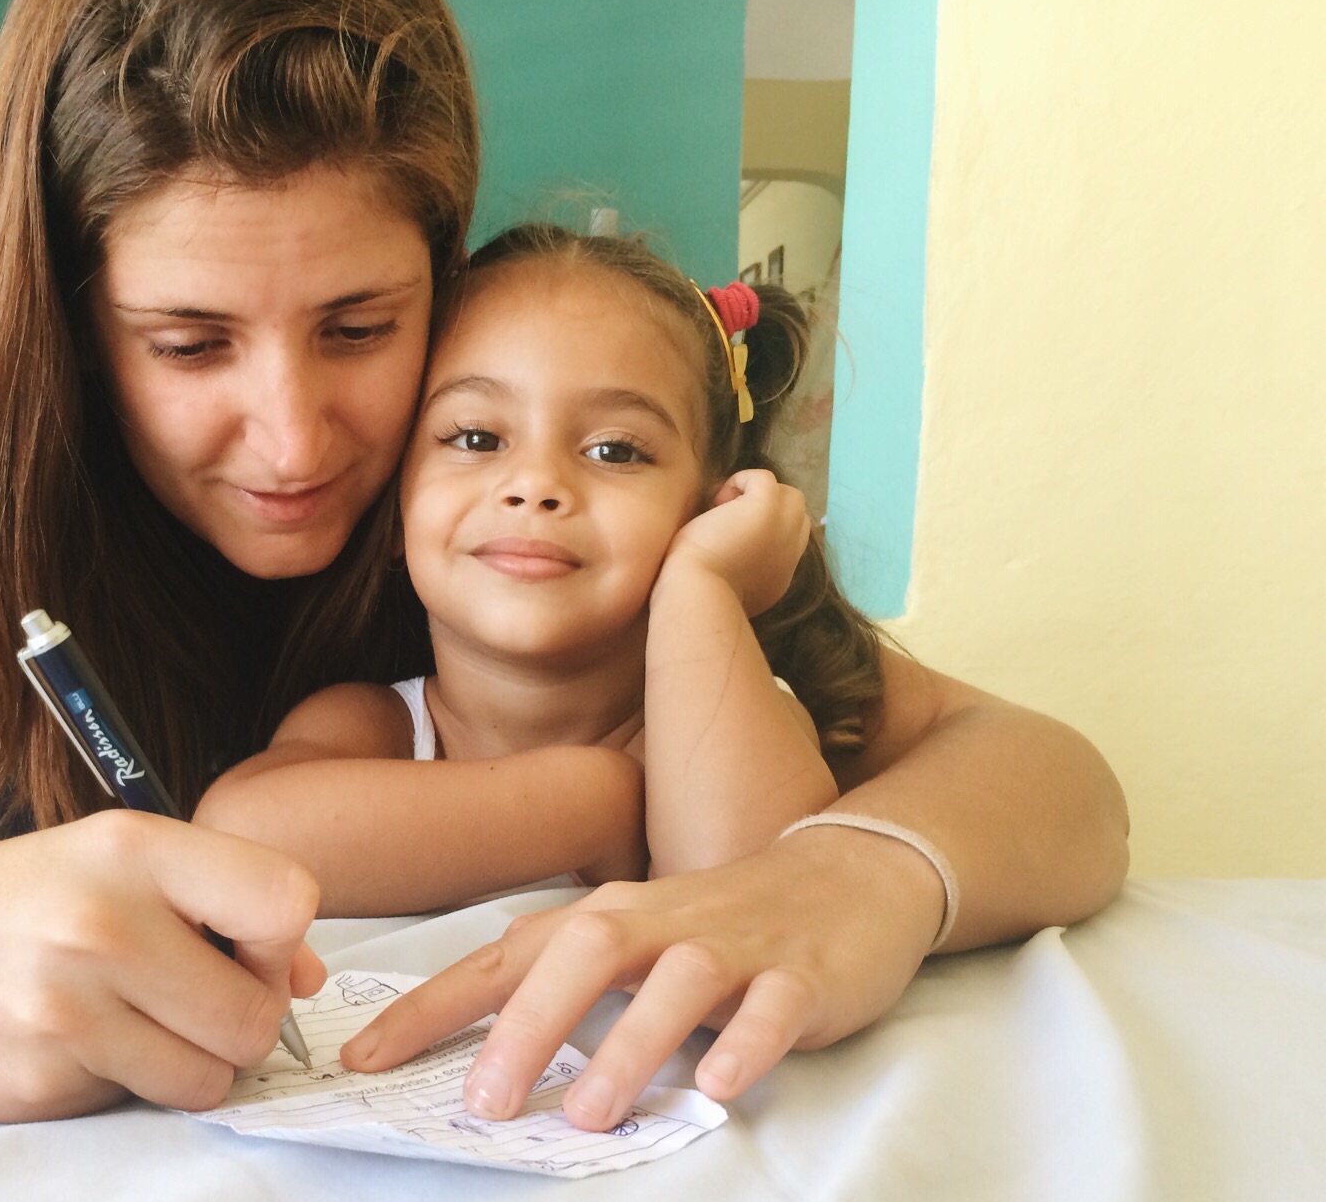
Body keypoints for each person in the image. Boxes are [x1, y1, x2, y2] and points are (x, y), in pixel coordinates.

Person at [0, 0, 1127, 1128]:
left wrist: (849, 873)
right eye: (189, 343)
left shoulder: (493, 488)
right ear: (70, 315)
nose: (293, 442)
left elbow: (1041, 774)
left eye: (362, 327)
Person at [196, 222, 911, 1125]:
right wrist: (596, 797)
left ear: (710, 503)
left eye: (615, 450)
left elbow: (757, 898)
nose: (535, 483)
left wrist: (703, 586)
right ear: (396, 495)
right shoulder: (380, 725)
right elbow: (239, 830)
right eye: (475, 436)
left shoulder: (729, 724)